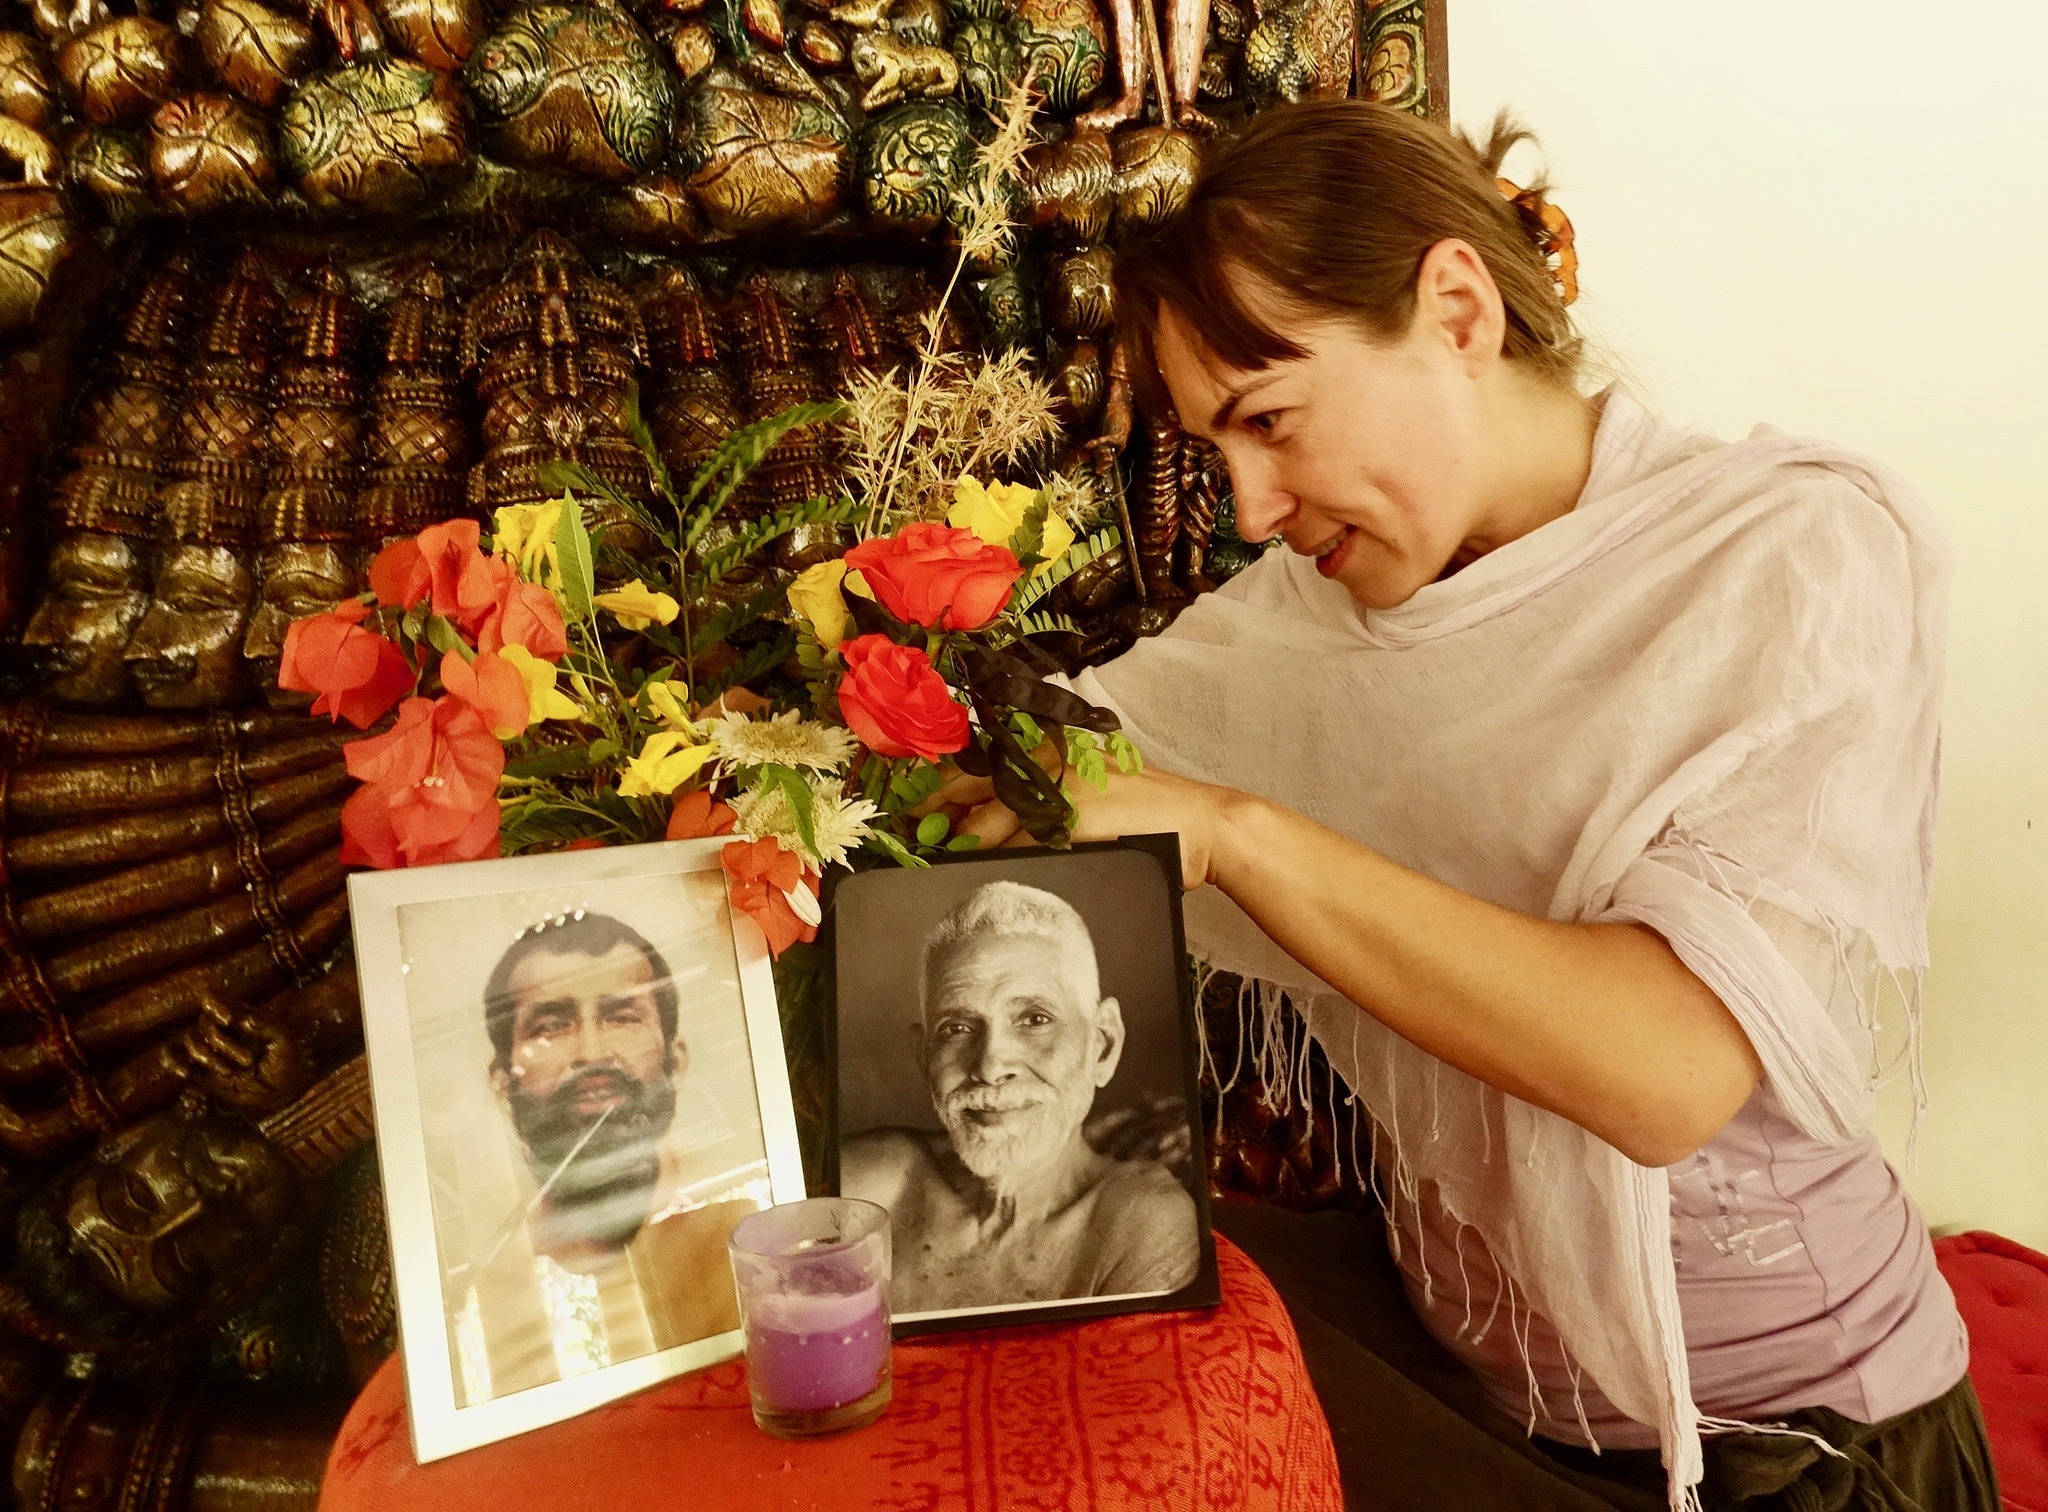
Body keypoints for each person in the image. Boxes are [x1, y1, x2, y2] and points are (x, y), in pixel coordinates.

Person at [941, 102, 1998, 1511]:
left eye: (1269, 420)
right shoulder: (1300, 630)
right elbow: (1066, 770)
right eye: (1212, 451)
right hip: (1481, 1376)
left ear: (1456, 308)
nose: (1248, 505)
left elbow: (1665, 1073)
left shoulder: (1788, 555)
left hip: (1784, 1446)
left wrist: (1242, 837)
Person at [840, 881, 1200, 1313]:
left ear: (1102, 1045)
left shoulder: (1142, 1225)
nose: (990, 1067)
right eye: (956, 1028)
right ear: (925, 1059)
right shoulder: (872, 1185)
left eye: (1034, 1019)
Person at [449, 913, 755, 1406]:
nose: (592, 1053)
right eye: (552, 1025)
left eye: (622, 1017)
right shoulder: (478, 1295)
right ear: (503, 1085)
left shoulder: (748, 1231)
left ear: (675, 1062)